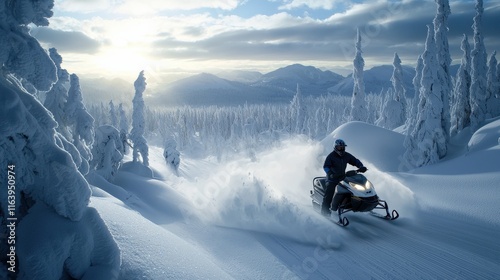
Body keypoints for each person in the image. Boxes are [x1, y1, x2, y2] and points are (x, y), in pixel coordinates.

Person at [321, 139, 367, 217]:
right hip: (332, 179)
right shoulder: (331, 156)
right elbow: (326, 166)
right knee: (330, 192)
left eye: (343, 147)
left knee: (354, 187)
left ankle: (360, 203)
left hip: (342, 177)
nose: (341, 149)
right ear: (335, 147)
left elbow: (355, 161)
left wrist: (361, 166)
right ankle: (324, 210)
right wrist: (330, 173)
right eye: (339, 147)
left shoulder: (346, 155)